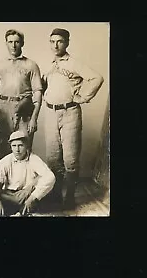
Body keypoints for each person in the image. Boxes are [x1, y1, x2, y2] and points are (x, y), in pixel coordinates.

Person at [42, 28, 104, 210]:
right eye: (52, 41)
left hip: (70, 113)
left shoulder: (74, 62)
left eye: (60, 41)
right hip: (51, 113)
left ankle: (69, 197)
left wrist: (82, 97)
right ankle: (54, 196)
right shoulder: (50, 64)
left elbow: (96, 78)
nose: (55, 45)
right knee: (52, 158)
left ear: (67, 43)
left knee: (70, 158)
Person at [0, 130, 56, 216]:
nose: (17, 150)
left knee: (43, 198)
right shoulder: (6, 160)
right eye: (14, 146)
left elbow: (50, 177)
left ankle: (16, 211)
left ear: (26, 146)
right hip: (8, 196)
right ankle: (14, 211)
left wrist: (32, 198)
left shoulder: (34, 159)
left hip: (25, 197)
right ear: (11, 147)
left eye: (20, 145)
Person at [0, 29, 43, 158]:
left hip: (24, 109)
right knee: (4, 146)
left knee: (24, 145)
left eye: (17, 42)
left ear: (22, 43)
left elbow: (37, 92)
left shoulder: (31, 65)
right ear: (6, 43)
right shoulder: (0, 65)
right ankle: (6, 177)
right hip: (4, 109)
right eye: (10, 42)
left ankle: (24, 177)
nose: (13, 45)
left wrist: (34, 118)